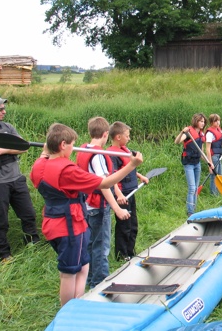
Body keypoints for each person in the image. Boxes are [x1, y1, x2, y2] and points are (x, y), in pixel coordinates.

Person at [30, 123, 141, 306]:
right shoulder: (67, 171)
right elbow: (105, 183)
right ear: (62, 145)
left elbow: (44, 155)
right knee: (69, 272)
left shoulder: (39, 165)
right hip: (69, 227)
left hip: (53, 223)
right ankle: (69, 312)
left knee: (83, 266)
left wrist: (47, 147)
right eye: (72, 144)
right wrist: (132, 165)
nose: (74, 149)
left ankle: (79, 302)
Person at [75, 117, 128, 288]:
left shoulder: (83, 149)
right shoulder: (97, 155)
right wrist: (117, 208)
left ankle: (90, 280)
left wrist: (118, 192)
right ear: (106, 134)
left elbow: (106, 180)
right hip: (97, 206)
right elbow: (103, 184)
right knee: (101, 247)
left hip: (87, 205)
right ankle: (99, 284)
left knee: (91, 245)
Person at [0, 95, 40, 262]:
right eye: (0, 109)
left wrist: (3, 150)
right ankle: (4, 254)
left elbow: (23, 147)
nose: (4, 112)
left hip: (16, 178)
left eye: (3, 108)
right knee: (0, 220)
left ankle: (32, 244)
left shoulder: (8, 128)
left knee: (28, 214)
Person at [108, 121, 149, 261]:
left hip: (132, 191)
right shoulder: (112, 154)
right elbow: (111, 175)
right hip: (122, 193)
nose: (129, 138)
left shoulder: (126, 150)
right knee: (124, 226)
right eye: (127, 135)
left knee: (133, 225)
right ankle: (122, 256)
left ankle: (131, 252)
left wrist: (140, 176)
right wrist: (118, 194)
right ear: (118, 137)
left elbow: (129, 168)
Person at [175, 113, 207, 215]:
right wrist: (182, 132)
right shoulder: (188, 132)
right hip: (188, 163)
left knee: (196, 187)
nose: (203, 123)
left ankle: (194, 208)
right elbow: (177, 141)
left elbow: (201, 152)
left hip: (197, 163)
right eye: (201, 121)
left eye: (203, 122)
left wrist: (209, 163)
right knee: (192, 188)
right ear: (196, 121)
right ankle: (190, 211)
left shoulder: (202, 134)